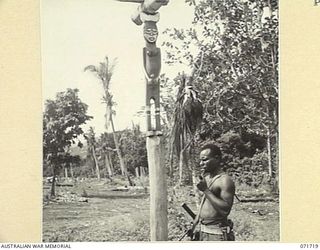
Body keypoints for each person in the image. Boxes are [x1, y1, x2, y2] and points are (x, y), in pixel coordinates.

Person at [193, 143, 235, 241]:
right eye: (200, 160)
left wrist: (206, 190)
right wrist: (195, 225)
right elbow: (204, 204)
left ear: (217, 158)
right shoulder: (207, 178)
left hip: (216, 234)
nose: (201, 163)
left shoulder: (225, 180)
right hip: (203, 231)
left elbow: (225, 210)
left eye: (204, 160)